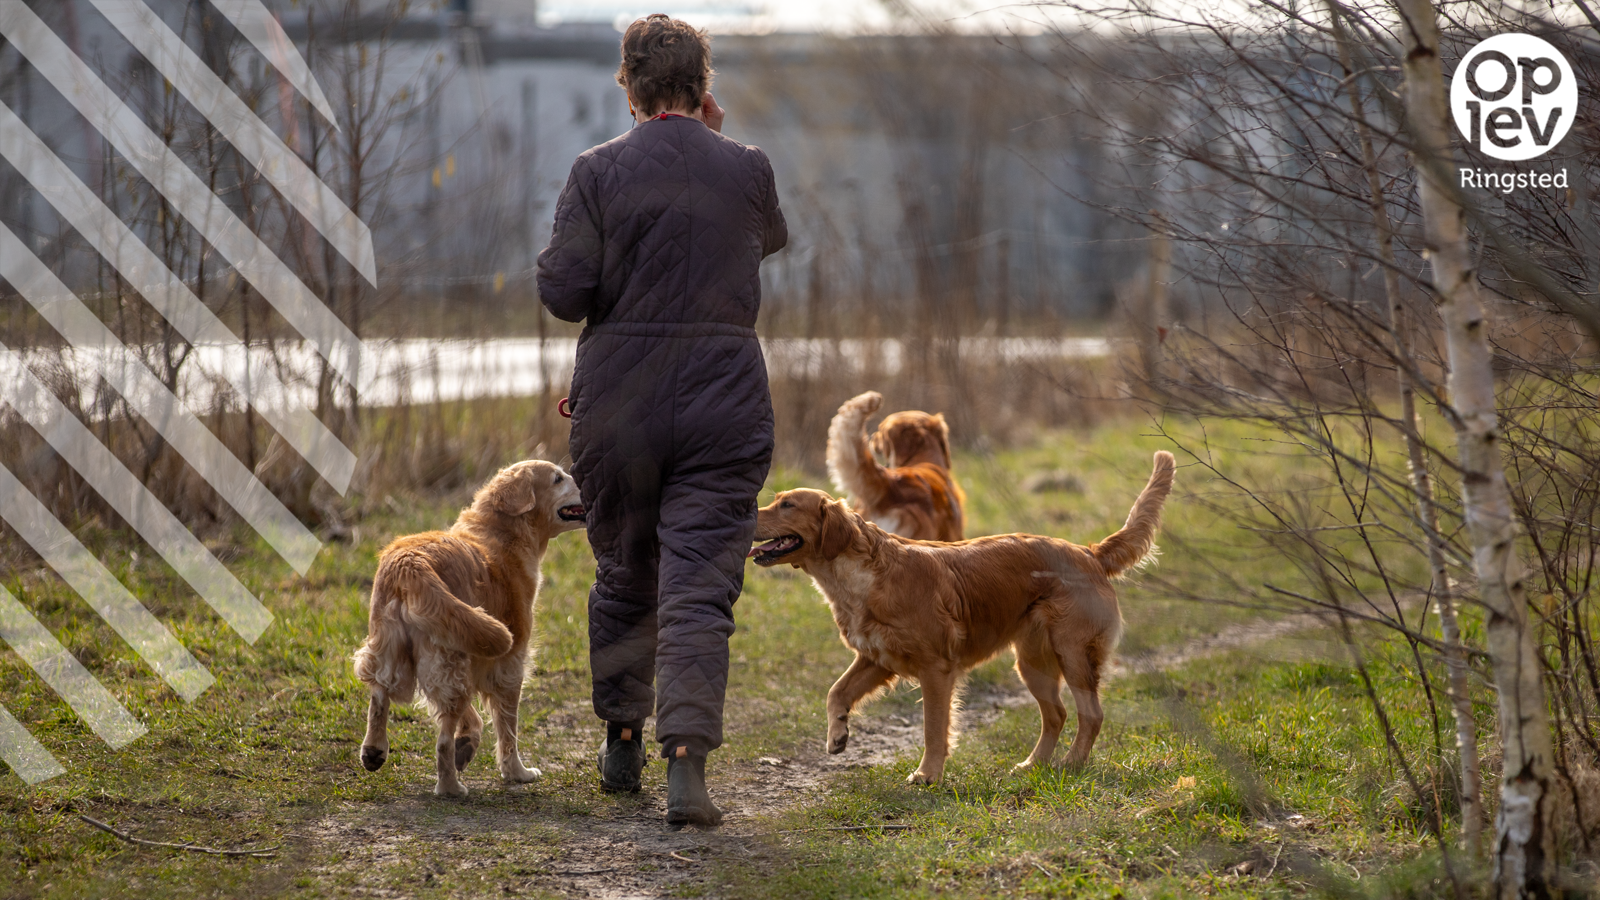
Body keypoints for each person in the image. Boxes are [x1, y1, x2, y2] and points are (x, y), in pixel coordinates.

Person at [536, 14, 787, 828]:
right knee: (698, 591)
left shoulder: (596, 170)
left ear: (630, 86)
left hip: (621, 409)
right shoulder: (747, 168)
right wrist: (715, 142)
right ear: (703, 87)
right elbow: (765, 240)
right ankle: (687, 770)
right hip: (724, 406)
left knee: (626, 573)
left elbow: (564, 292)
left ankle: (620, 741)